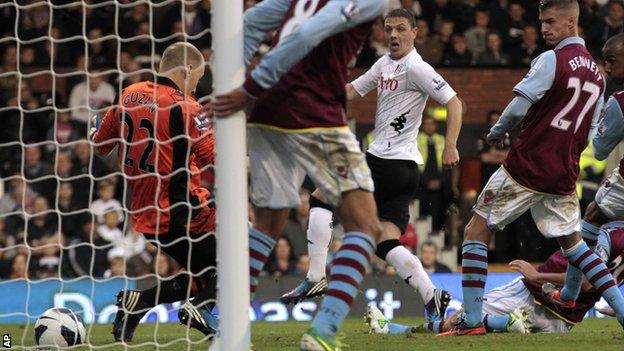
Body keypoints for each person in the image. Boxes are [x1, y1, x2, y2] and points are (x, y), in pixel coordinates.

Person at [212, 0, 397, 349]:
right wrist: (250, 86)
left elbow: (250, 23)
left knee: (268, 223)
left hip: (266, 113)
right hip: (313, 111)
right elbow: (310, 32)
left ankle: (225, 327)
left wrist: (230, 83)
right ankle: (323, 333)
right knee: (366, 225)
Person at [443, 0, 624, 336]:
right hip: (563, 174)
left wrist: (498, 132)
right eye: (542, 22)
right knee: (576, 247)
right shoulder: (599, 76)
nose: (544, 29)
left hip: (526, 166)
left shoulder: (551, 60)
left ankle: (470, 316)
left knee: (476, 231)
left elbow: (516, 108)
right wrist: (567, 152)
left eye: (551, 22)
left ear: (572, 23)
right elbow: (591, 133)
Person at [279, 9, 463, 325]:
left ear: (415, 33)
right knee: (385, 242)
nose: (393, 35)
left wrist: (450, 145)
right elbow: (352, 90)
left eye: (401, 29)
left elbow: (455, 102)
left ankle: (315, 276)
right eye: (388, 29)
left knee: (321, 198)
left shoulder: (417, 67)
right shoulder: (384, 64)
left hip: (384, 162)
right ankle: (430, 293)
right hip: (404, 171)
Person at [91, 42, 218, 341]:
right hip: (183, 211)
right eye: (197, 77)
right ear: (187, 69)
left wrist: (95, 124)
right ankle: (200, 308)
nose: (197, 85)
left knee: (204, 274)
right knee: (243, 259)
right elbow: (216, 158)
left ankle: (140, 303)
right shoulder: (187, 106)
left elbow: (100, 144)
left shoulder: (127, 95)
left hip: (145, 215)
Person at [367, 222, 624, 335]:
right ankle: (503, 323)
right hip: (563, 323)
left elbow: (589, 280)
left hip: (534, 294)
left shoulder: (610, 232)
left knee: (462, 320)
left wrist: (537, 274)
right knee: (467, 328)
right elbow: (604, 281)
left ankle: (391, 330)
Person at [556, 33, 624, 304]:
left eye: (612, 61)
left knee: (593, 215)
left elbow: (599, 151)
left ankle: (571, 293)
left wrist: (596, 119)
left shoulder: (619, 102)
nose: (606, 68)